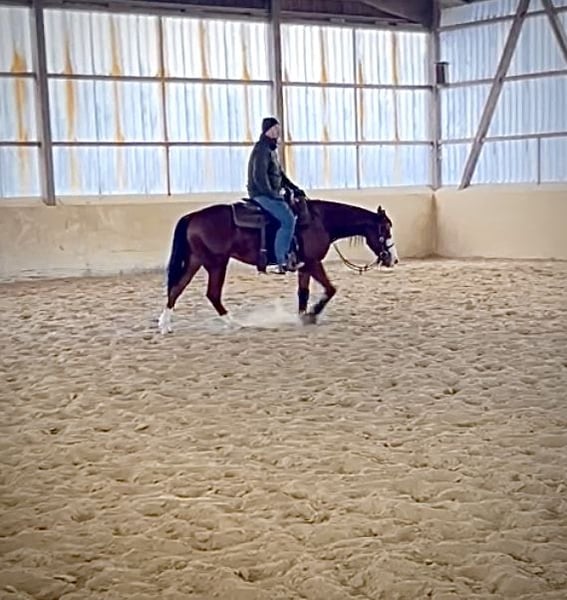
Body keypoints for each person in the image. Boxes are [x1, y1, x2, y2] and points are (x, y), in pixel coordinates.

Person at [246, 117, 305, 274]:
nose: (278, 132)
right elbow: (259, 177)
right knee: (288, 220)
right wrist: (273, 195)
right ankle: (281, 261)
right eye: (275, 129)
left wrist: (295, 188)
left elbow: (280, 175)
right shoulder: (262, 150)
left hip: (270, 193)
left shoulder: (271, 150)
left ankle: (292, 254)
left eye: (278, 129)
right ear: (267, 130)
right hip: (261, 194)